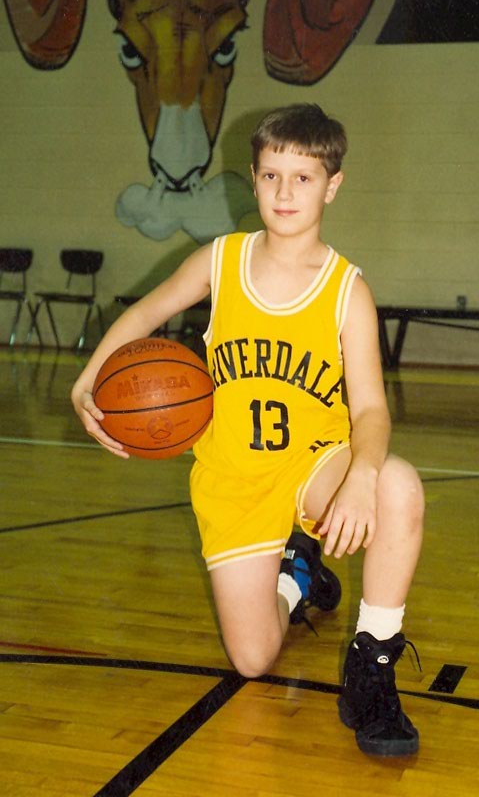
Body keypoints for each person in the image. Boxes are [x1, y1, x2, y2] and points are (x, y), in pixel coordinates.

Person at [71, 103, 425, 757]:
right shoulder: (221, 261)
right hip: (233, 476)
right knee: (254, 660)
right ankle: (297, 574)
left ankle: (372, 669)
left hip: (314, 462)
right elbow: (145, 312)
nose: (284, 192)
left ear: (332, 185)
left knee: (397, 486)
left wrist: (361, 477)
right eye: (270, 176)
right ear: (254, 179)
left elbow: (371, 412)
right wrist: (88, 378)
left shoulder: (346, 290)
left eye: (303, 177)